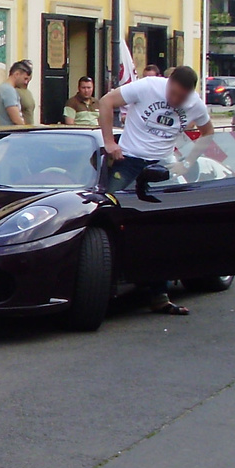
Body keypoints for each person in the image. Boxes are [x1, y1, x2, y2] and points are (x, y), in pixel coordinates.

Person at [95, 65, 216, 316]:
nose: (174, 101)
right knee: (110, 213)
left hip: (162, 164)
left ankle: (160, 293)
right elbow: (106, 102)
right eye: (172, 94)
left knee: (164, 225)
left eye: (181, 98)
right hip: (129, 161)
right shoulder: (148, 86)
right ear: (167, 82)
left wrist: (188, 162)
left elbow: (208, 132)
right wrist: (109, 142)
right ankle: (105, 282)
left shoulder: (195, 105)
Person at [0, 60, 36, 126]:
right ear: (17, 74)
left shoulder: (0, 88)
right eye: (25, 78)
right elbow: (16, 119)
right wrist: (25, 130)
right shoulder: (8, 90)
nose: (26, 82)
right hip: (11, 133)